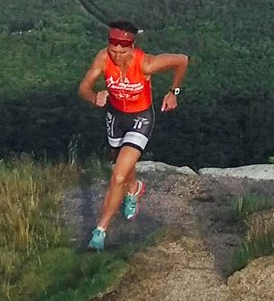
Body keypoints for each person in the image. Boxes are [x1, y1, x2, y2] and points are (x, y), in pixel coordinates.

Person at [77, 20, 190, 251]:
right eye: (113, 51)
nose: (117, 56)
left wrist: (173, 92)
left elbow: (182, 60)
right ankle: (134, 189)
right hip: (115, 117)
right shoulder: (102, 58)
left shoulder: (145, 63)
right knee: (120, 163)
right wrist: (93, 97)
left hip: (141, 118)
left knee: (117, 175)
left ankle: (100, 231)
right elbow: (83, 87)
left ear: (132, 46)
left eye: (123, 51)